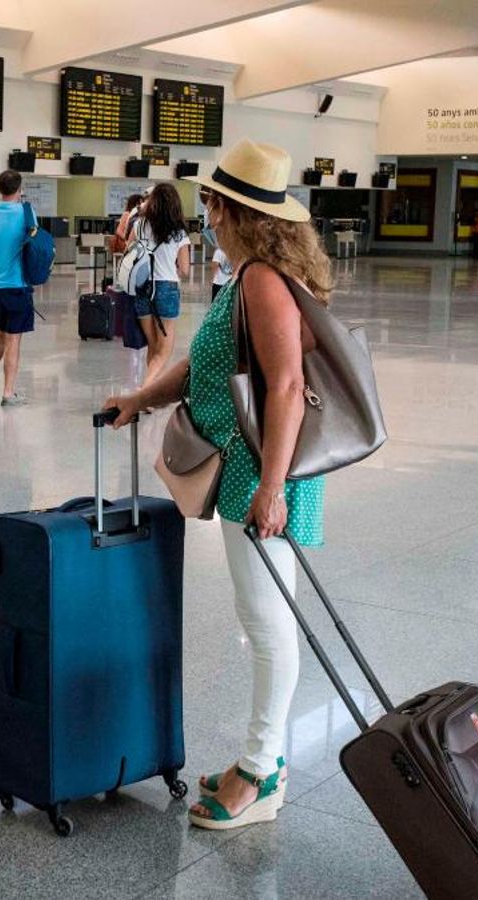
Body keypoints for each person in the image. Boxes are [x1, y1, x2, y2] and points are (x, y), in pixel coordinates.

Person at [104, 138, 330, 831]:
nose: (205, 214)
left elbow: (288, 385)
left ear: (231, 209)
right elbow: (208, 368)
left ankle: (263, 773)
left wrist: (271, 487)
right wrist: (139, 399)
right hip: (252, 465)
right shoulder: (249, 275)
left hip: (261, 469)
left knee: (266, 623)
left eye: (210, 203)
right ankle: (258, 762)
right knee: (262, 615)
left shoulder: (262, 280)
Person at [0, 169, 36, 407]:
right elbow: (34, 248)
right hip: (17, 284)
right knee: (13, 340)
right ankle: (8, 393)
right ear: (19, 189)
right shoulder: (25, 213)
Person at [130, 183, 192, 388]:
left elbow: (129, 248)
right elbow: (184, 269)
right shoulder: (179, 233)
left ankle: (148, 394)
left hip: (142, 287)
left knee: (153, 347)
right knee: (164, 351)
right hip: (166, 287)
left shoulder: (139, 225)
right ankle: (145, 392)